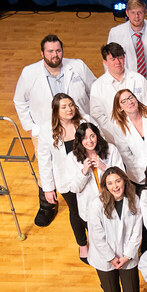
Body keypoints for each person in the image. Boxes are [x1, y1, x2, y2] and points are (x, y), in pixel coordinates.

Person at [86, 167, 143, 292]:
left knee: (131, 291)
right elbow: (97, 235)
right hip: (104, 258)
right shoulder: (96, 204)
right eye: (110, 183)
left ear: (124, 181)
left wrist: (127, 256)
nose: (115, 186)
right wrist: (111, 258)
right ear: (105, 186)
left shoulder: (135, 200)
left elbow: (136, 232)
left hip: (128, 256)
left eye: (118, 181)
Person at [14, 34, 97, 144]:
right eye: (50, 51)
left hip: (79, 128)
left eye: (58, 51)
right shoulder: (29, 73)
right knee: (48, 160)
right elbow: (20, 101)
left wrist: (94, 120)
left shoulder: (78, 66)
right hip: (47, 132)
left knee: (83, 159)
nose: (55, 55)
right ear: (42, 53)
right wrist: (30, 128)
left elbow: (95, 91)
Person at [36, 94, 90, 258]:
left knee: (92, 210)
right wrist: (48, 189)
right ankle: (82, 245)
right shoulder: (46, 130)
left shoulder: (85, 121)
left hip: (89, 176)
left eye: (71, 105)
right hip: (66, 180)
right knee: (76, 211)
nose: (69, 109)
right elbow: (44, 161)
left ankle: (100, 242)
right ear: (56, 111)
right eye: (64, 107)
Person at [65, 122, 124, 226]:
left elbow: (123, 176)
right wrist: (84, 172)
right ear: (80, 140)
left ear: (97, 135)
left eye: (92, 136)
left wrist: (104, 167)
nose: (90, 141)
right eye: (85, 138)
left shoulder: (111, 149)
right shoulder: (72, 158)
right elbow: (74, 188)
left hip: (113, 203)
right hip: (90, 209)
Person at [106, 0, 147, 87]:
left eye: (139, 12)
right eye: (133, 12)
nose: (136, 16)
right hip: (127, 84)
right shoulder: (115, 33)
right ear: (127, 13)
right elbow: (110, 61)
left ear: (145, 12)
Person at [89, 42, 147, 129]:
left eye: (120, 58)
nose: (118, 62)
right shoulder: (97, 86)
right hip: (113, 135)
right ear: (105, 62)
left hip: (141, 130)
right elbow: (97, 116)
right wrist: (115, 133)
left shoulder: (139, 79)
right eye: (113, 59)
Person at [106, 89, 147, 182]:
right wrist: (141, 175)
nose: (129, 102)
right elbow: (126, 154)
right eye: (123, 101)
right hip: (142, 173)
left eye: (131, 98)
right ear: (119, 108)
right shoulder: (118, 127)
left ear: (136, 99)